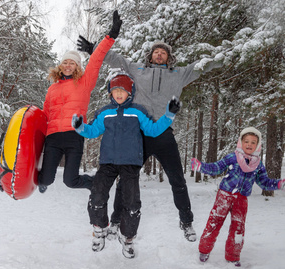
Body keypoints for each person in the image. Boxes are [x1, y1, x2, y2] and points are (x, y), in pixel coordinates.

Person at [77, 33, 224, 242]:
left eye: (163, 52)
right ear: (151, 55)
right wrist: (94, 49)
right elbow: (116, 60)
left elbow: (200, 67)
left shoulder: (178, 74)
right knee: (125, 180)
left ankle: (186, 221)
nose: (159, 54)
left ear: (168, 57)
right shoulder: (139, 70)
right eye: (156, 51)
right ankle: (116, 220)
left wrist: (224, 56)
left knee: (178, 180)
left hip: (164, 134)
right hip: (139, 136)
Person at [71, 72, 181, 258]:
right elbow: (92, 131)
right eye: (115, 90)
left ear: (130, 92)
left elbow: (153, 130)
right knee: (97, 195)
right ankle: (99, 230)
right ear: (110, 93)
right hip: (108, 162)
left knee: (132, 203)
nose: (119, 94)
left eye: (123, 90)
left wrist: (169, 114)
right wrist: (80, 126)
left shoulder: (138, 111)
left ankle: (127, 238)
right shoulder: (105, 113)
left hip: (130, 163)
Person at [37, 11, 122, 193]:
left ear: (77, 67)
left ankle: (96, 183)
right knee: (45, 179)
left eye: (72, 63)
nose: (68, 65)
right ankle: (17, 177)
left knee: (71, 180)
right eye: (65, 62)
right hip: (52, 137)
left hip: (73, 135)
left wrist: (111, 36)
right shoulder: (52, 88)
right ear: (61, 65)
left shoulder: (84, 83)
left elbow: (96, 59)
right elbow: (45, 115)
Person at [191, 127, 285, 267]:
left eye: (253, 142)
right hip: (225, 195)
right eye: (246, 141)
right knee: (214, 222)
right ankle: (204, 250)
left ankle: (233, 256)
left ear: (258, 145)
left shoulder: (258, 164)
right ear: (241, 142)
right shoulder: (233, 157)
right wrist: (201, 166)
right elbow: (216, 167)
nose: (249, 144)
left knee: (238, 228)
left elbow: (264, 182)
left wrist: (279, 184)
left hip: (241, 199)